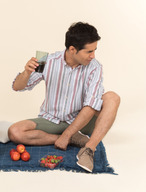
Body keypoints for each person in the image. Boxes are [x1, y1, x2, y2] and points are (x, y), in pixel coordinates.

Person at [8, 22, 120, 172]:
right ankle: (71, 139)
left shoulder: (95, 67)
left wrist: (67, 134)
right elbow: (17, 87)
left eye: (95, 50)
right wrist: (26, 73)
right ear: (72, 49)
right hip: (52, 119)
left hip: (81, 121)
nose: (93, 56)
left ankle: (88, 148)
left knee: (112, 97)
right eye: (89, 51)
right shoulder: (46, 60)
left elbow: (91, 106)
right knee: (14, 132)